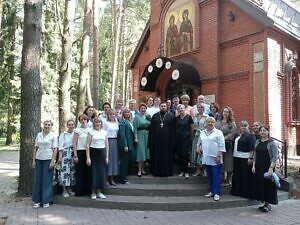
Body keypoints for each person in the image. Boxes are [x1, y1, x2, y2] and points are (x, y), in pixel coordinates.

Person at [197, 117, 225, 201]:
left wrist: (219, 155)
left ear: (214, 123)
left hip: (216, 157)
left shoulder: (218, 132)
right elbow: (200, 142)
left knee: (216, 175)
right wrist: (198, 147)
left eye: (212, 122)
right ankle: (211, 191)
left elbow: (222, 145)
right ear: (205, 123)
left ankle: (217, 193)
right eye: (208, 122)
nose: (210, 123)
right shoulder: (202, 132)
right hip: (206, 157)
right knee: (209, 175)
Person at [252, 125, 278, 212]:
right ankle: (263, 203)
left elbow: (275, 157)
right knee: (260, 184)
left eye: (264, 130)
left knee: (268, 185)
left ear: (268, 132)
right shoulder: (257, 142)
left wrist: (271, 168)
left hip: (268, 167)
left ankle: (268, 204)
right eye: (261, 131)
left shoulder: (272, 143)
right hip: (259, 166)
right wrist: (253, 165)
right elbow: (255, 154)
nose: (262, 132)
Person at [32, 120, 58, 208]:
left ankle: (46, 200)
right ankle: (37, 200)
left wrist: (53, 161)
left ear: (51, 126)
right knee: (38, 180)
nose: (47, 126)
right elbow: (35, 148)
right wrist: (33, 160)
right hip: (39, 159)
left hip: (48, 159)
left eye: (49, 125)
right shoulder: (39, 134)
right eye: (45, 124)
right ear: (43, 125)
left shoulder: (53, 135)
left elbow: (55, 149)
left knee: (47, 180)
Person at [148, 102, 176, 177]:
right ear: (159, 107)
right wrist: (151, 141)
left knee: (167, 156)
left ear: (167, 107)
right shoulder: (155, 116)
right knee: (157, 156)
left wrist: (173, 141)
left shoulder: (171, 116)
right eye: (161, 106)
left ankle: (167, 172)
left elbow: (174, 130)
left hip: (168, 141)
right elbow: (151, 130)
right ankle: (156, 172)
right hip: (157, 141)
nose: (163, 107)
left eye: (164, 106)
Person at [231, 121, 256, 199]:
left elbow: (252, 148)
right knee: (237, 174)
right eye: (242, 126)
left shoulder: (250, 136)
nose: (243, 127)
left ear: (248, 126)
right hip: (236, 157)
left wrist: (250, 158)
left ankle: (246, 193)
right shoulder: (237, 135)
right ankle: (237, 191)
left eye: (245, 126)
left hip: (245, 158)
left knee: (245, 176)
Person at [86, 118, 109, 200]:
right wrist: (88, 157)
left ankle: (99, 192)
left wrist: (107, 157)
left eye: (99, 122)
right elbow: (87, 145)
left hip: (102, 153)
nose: (98, 123)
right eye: (96, 122)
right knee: (93, 173)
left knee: (101, 173)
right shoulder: (90, 132)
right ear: (94, 123)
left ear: (101, 123)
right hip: (93, 153)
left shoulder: (104, 132)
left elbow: (107, 145)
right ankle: (93, 192)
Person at [215, 106, 237, 185]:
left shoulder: (232, 123)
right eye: (224, 111)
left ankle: (228, 180)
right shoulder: (218, 122)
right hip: (219, 146)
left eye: (227, 112)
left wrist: (224, 138)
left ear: (229, 113)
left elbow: (233, 133)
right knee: (221, 162)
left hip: (228, 145)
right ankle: (222, 179)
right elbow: (216, 132)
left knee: (228, 162)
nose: (225, 113)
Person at [73, 114, 91, 196]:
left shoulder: (90, 130)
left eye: (84, 119)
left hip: (89, 152)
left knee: (88, 172)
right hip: (80, 152)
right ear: (79, 121)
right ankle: (79, 191)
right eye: (81, 120)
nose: (83, 121)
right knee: (80, 172)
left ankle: (87, 190)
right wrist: (75, 155)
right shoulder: (77, 130)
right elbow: (74, 143)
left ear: (87, 120)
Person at [58, 119, 75, 198]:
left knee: (72, 171)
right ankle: (64, 190)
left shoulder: (75, 134)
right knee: (64, 172)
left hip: (73, 153)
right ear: (67, 125)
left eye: (72, 124)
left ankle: (69, 189)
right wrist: (60, 157)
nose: (71, 126)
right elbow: (60, 146)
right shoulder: (63, 134)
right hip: (65, 153)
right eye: (69, 125)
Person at [176, 104, 194, 178]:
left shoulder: (189, 117)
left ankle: (186, 171)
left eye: (182, 108)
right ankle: (181, 171)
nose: (181, 110)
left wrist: (191, 136)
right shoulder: (177, 118)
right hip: (178, 139)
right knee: (180, 155)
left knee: (185, 155)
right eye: (179, 109)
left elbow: (192, 127)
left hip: (186, 139)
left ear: (184, 109)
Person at [133, 103, 151, 177]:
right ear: (139, 109)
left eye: (144, 108)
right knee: (140, 153)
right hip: (140, 135)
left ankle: (143, 169)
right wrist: (136, 137)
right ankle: (139, 170)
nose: (143, 109)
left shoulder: (148, 117)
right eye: (141, 108)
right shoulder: (136, 117)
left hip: (147, 135)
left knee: (145, 153)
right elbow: (135, 128)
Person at [118, 108, 135, 184]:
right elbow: (122, 134)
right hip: (125, 145)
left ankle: (125, 176)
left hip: (131, 144)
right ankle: (123, 179)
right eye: (126, 112)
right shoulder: (122, 122)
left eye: (128, 112)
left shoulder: (130, 122)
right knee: (124, 163)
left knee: (130, 160)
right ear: (123, 114)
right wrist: (125, 145)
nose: (127, 113)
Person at [103, 109, 119, 185]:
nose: (112, 115)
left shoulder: (116, 122)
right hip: (108, 141)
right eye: (110, 114)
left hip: (115, 142)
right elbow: (103, 133)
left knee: (114, 160)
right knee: (108, 159)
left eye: (113, 114)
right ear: (108, 115)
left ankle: (112, 178)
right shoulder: (105, 123)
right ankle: (106, 179)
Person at [191, 103, 207, 176]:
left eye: (201, 107)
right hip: (196, 136)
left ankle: (203, 170)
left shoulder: (206, 116)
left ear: (204, 108)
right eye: (198, 107)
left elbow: (207, 127)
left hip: (203, 136)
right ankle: (197, 170)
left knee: (202, 152)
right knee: (196, 153)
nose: (200, 108)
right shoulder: (195, 116)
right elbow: (193, 126)